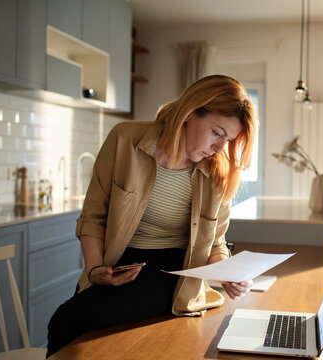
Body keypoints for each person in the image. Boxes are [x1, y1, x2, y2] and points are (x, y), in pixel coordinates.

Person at [46, 75, 257, 356]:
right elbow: (94, 217)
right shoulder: (125, 139)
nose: (220, 148)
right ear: (190, 112)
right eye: (217, 133)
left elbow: (216, 242)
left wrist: (229, 273)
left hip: (176, 274)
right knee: (77, 333)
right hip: (117, 266)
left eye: (228, 139)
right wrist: (95, 272)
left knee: (66, 320)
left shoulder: (218, 171)